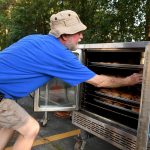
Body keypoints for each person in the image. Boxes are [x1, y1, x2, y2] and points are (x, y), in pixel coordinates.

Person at [0, 10, 142, 150]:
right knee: (31, 129)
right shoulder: (58, 54)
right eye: (78, 32)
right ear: (64, 35)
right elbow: (99, 82)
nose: (81, 36)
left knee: (10, 125)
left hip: (5, 95)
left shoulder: (35, 39)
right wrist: (129, 80)